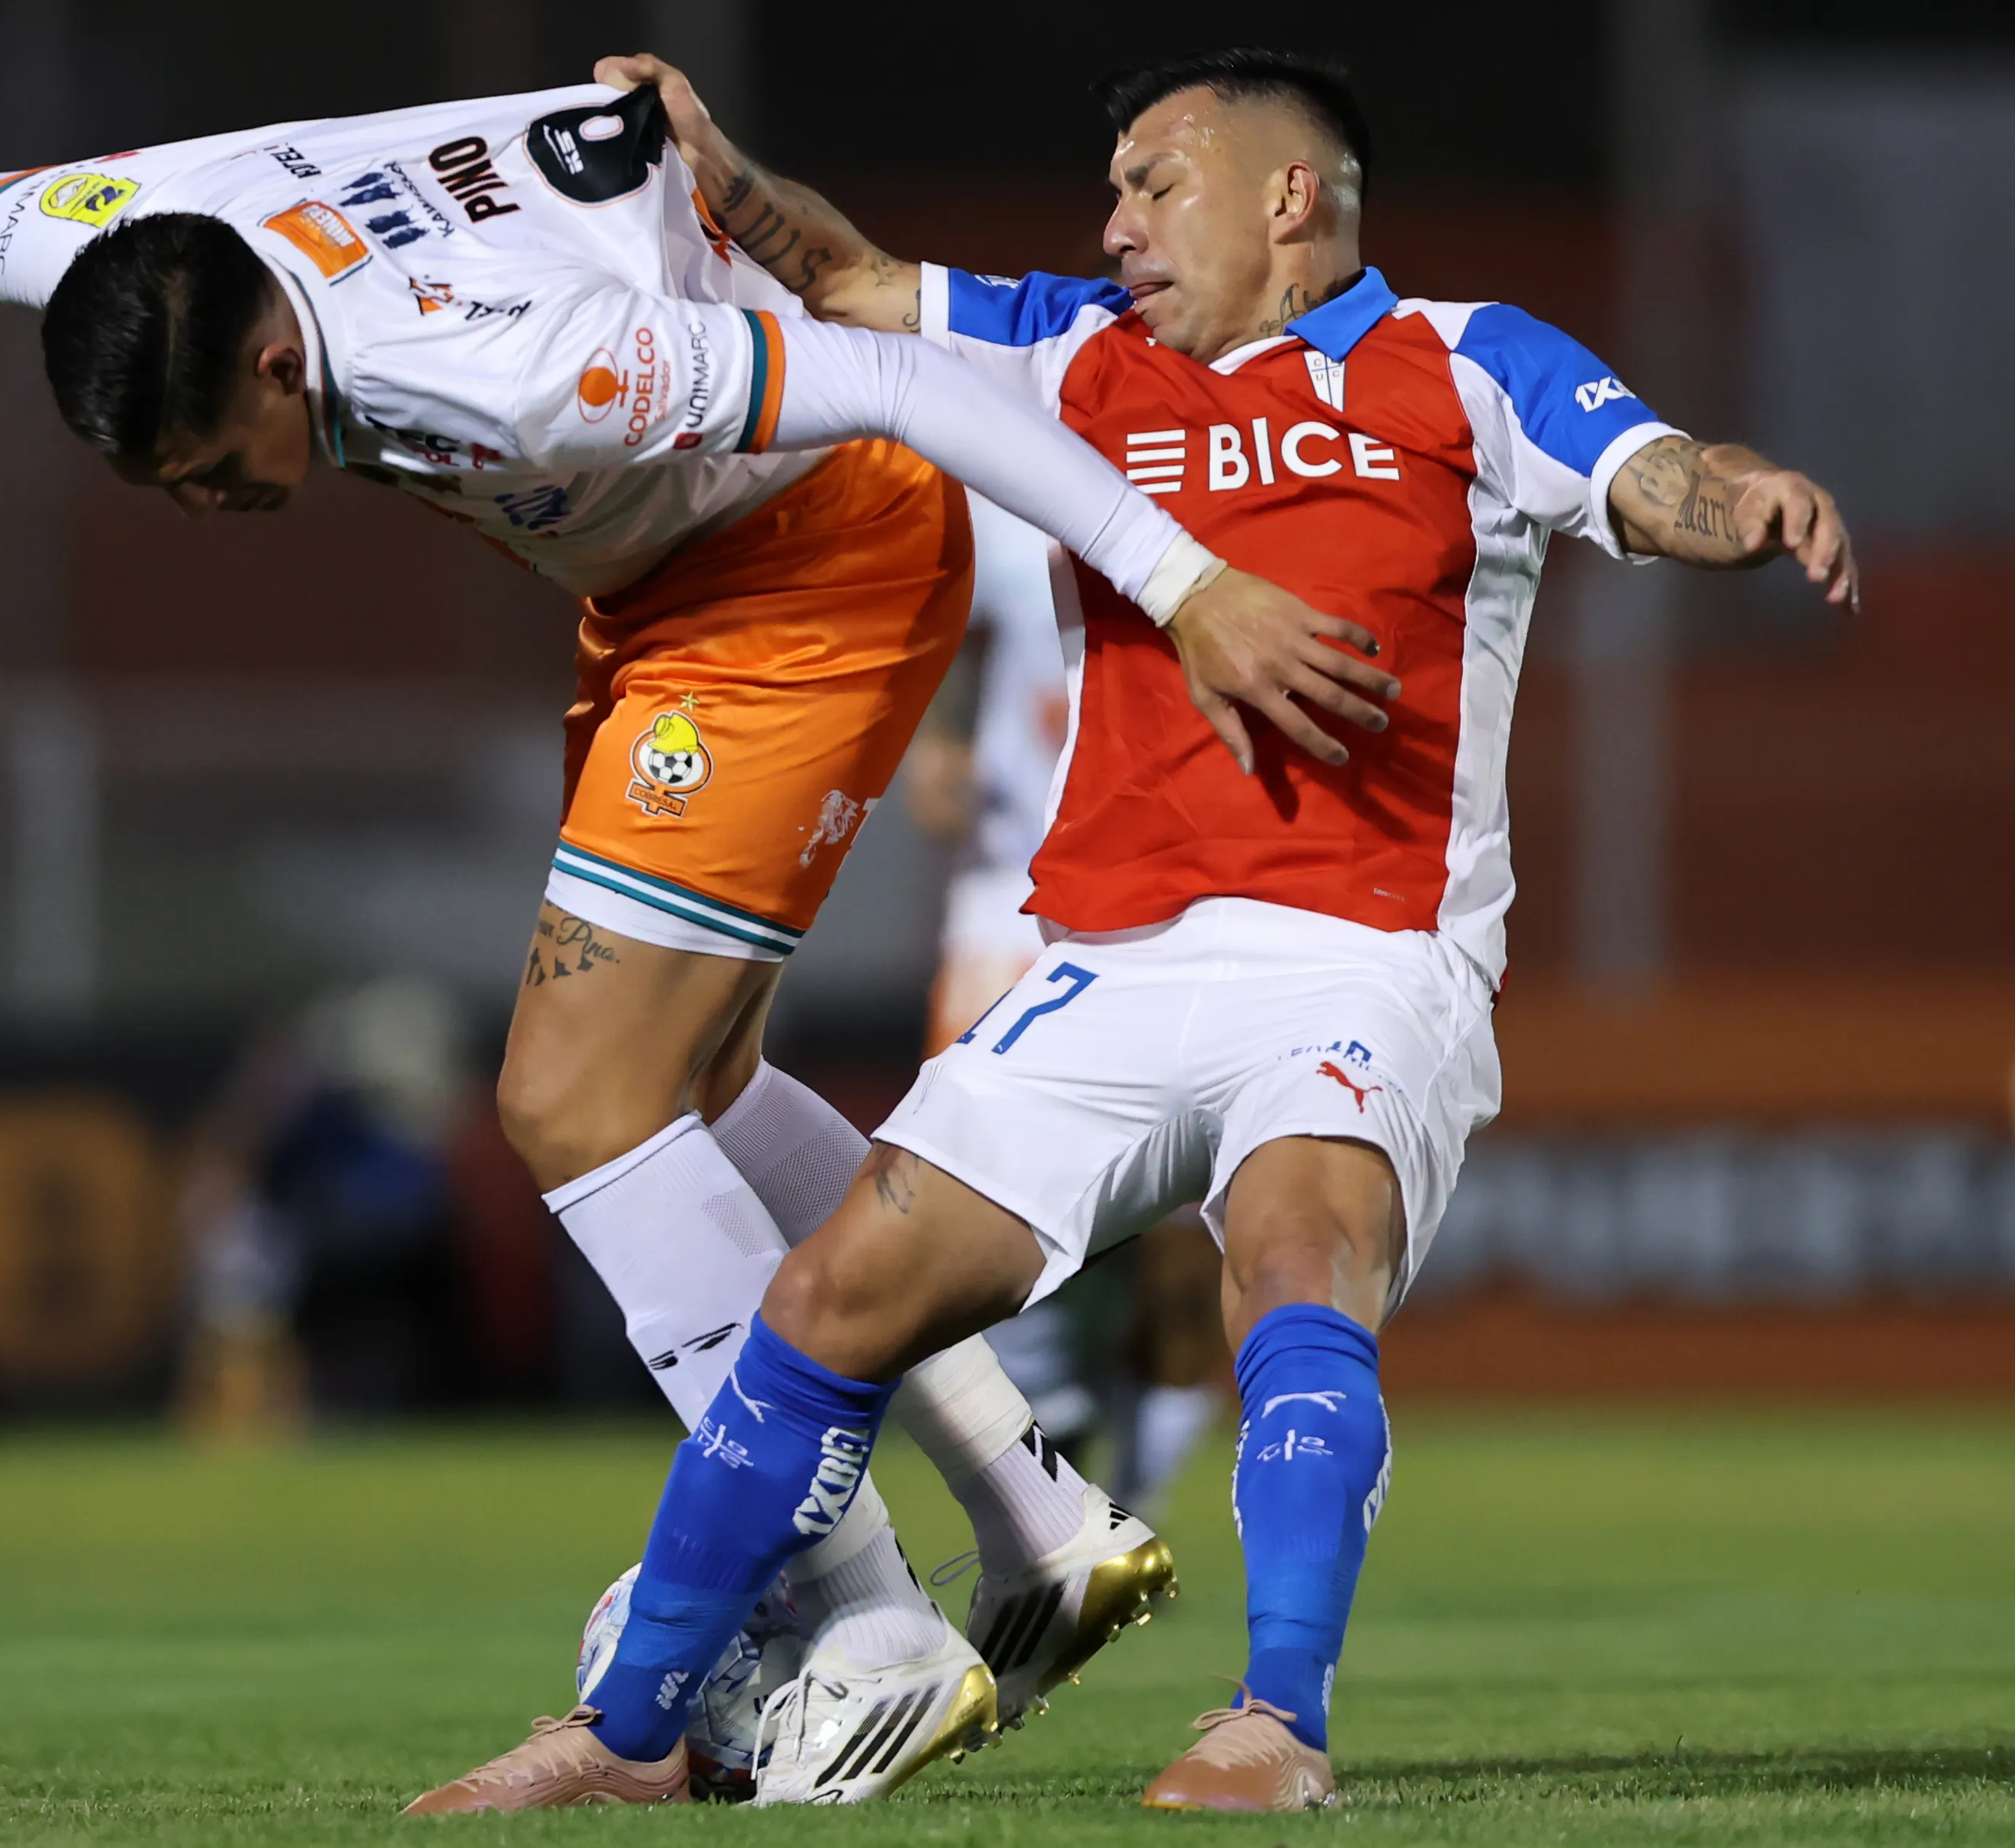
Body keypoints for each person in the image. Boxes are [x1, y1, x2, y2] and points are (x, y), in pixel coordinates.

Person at [0, 80, 1392, 1801]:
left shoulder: (511, 354)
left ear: (278, 364)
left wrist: (1182, 578)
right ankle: (1030, 1510)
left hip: (807, 551)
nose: (203, 510)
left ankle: (854, 1620)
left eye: (206, 470)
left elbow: (885, 381)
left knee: (570, 1096)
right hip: (668, 577)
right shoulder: (114, 234)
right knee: (684, 1086)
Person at [412, 47, 1855, 1813]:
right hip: (1102, 962)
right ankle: (632, 1738)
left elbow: (1640, 472)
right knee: (828, 1294)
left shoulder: (1464, 363)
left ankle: (1274, 1723)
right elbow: (850, 281)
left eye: (1150, 184)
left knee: (1291, 1264)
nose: (1114, 223)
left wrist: (1739, 500)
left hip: (1359, 950)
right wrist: (714, 168)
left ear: (1287, 200)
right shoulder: (1076, 349)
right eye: (1109, 191)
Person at [908, 497, 1227, 1519]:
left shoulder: (1210, 468)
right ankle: (1046, 1424)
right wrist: (943, 740)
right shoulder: (1006, 490)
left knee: (1175, 1211)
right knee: (974, 1171)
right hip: (1008, 890)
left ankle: (1150, 1443)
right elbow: (961, 624)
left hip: (1167, 889)